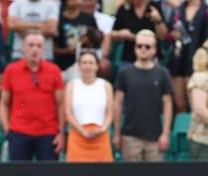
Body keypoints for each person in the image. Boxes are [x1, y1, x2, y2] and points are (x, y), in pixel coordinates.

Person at [0, 30, 65, 161]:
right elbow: (4, 103)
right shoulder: (11, 70)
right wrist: (8, 130)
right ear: (23, 47)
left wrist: (61, 132)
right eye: (31, 45)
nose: (35, 49)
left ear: (43, 49)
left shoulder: (54, 71)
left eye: (39, 46)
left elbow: (61, 104)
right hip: (18, 133)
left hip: (48, 133)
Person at [113, 29, 172, 161]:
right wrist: (117, 133)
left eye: (147, 46)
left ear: (154, 50)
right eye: (139, 46)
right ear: (134, 48)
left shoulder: (162, 73)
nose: (143, 49)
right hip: (130, 137)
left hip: (155, 138)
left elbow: (168, 105)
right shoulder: (124, 72)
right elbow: (117, 103)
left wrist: (165, 134)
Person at [167, 0, 208, 113]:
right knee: (179, 104)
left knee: (195, 104)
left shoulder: (207, 11)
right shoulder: (178, 10)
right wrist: (173, 35)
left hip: (198, 64)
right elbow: (168, 35)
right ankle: (182, 130)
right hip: (178, 61)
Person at [65, 50, 114, 162]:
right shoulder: (71, 85)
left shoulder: (106, 86)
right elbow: (68, 113)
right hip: (78, 137)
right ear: (79, 65)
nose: (87, 66)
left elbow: (109, 113)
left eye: (91, 63)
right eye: (84, 62)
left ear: (97, 66)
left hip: (100, 138)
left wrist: (102, 129)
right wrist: (82, 131)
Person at [54, 0, 103, 81]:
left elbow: (97, 41)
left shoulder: (89, 18)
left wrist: (89, 38)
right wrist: (67, 51)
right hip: (63, 65)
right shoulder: (58, 20)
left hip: (85, 65)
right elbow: (54, 48)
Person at [111, 0, 168, 66]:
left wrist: (158, 21)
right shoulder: (124, 8)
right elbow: (113, 33)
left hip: (152, 59)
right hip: (129, 58)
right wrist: (121, 34)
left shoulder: (154, 7)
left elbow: (163, 37)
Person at [82, 0, 115, 77]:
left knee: (104, 65)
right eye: (84, 1)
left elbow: (107, 38)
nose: (87, 3)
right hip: (77, 56)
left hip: (98, 56)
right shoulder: (74, 18)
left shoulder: (107, 19)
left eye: (90, 1)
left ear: (96, 2)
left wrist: (104, 57)